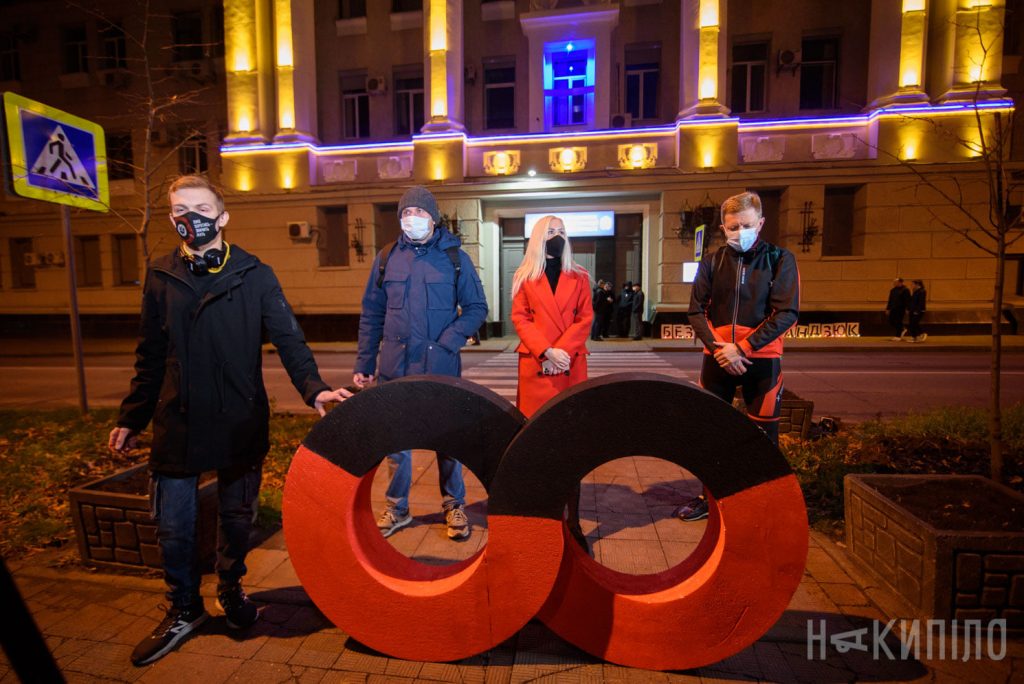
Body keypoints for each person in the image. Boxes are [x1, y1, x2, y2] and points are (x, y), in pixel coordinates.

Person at [108, 175, 351, 666]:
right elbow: (150, 357)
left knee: (237, 520)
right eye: (179, 209)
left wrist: (314, 388)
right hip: (177, 424)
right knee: (174, 528)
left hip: (240, 421)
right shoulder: (161, 276)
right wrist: (132, 416)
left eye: (200, 208)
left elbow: (289, 340)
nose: (188, 218)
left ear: (222, 218)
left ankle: (232, 589)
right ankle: (183, 609)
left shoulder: (254, 274)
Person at [354, 185, 488, 541]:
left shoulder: (454, 257)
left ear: (433, 218)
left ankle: (453, 505)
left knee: (448, 440)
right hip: (394, 367)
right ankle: (397, 507)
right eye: (405, 214)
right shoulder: (386, 258)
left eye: (419, 213)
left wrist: (450, 340)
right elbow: (372, 312)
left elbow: (477, 308)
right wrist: (365, 361)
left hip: (440, 366)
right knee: (396, 443)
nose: (411, 219)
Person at [675, 191, 800, 522]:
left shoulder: (780, 259)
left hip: (761, 361)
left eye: (745, 225)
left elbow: (787, 312)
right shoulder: (712, 261)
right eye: (732, 226)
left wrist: (742, 348)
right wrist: (720, 350)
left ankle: (762, 504)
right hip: (717, 360)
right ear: (722, 226)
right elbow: (695, 311)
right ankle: (708, 497)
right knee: (711, 433)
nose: (739, 232)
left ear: (760, 223)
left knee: (763, 437)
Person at [510, 214, 593, 549]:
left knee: (571, 447)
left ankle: (573, 521)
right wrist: (546, 350)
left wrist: (563, 351)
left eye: (561, 231)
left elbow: (586, 317)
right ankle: (543, 518)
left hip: (570, 365)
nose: (557, 236)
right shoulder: (525, 276)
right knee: (539, 446)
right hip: (537, 366)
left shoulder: (580, 275)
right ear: (537, 238)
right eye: (550, 231)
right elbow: (519, 317)